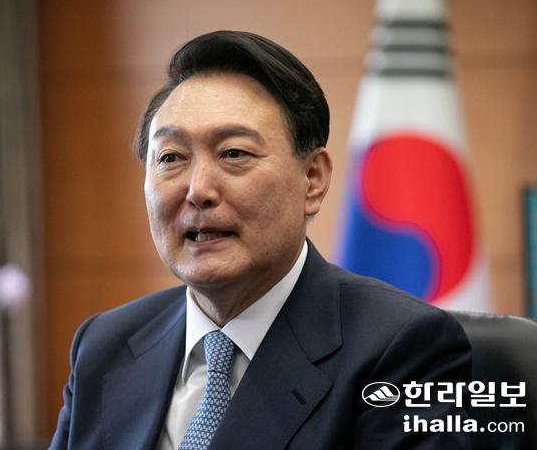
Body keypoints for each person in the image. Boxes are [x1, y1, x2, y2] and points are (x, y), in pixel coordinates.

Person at [49, 30, 471, 450]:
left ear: (313, 179)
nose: (198, 190)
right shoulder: (104, 346)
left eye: (233, 153)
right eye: (171, 158)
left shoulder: (404, 350)